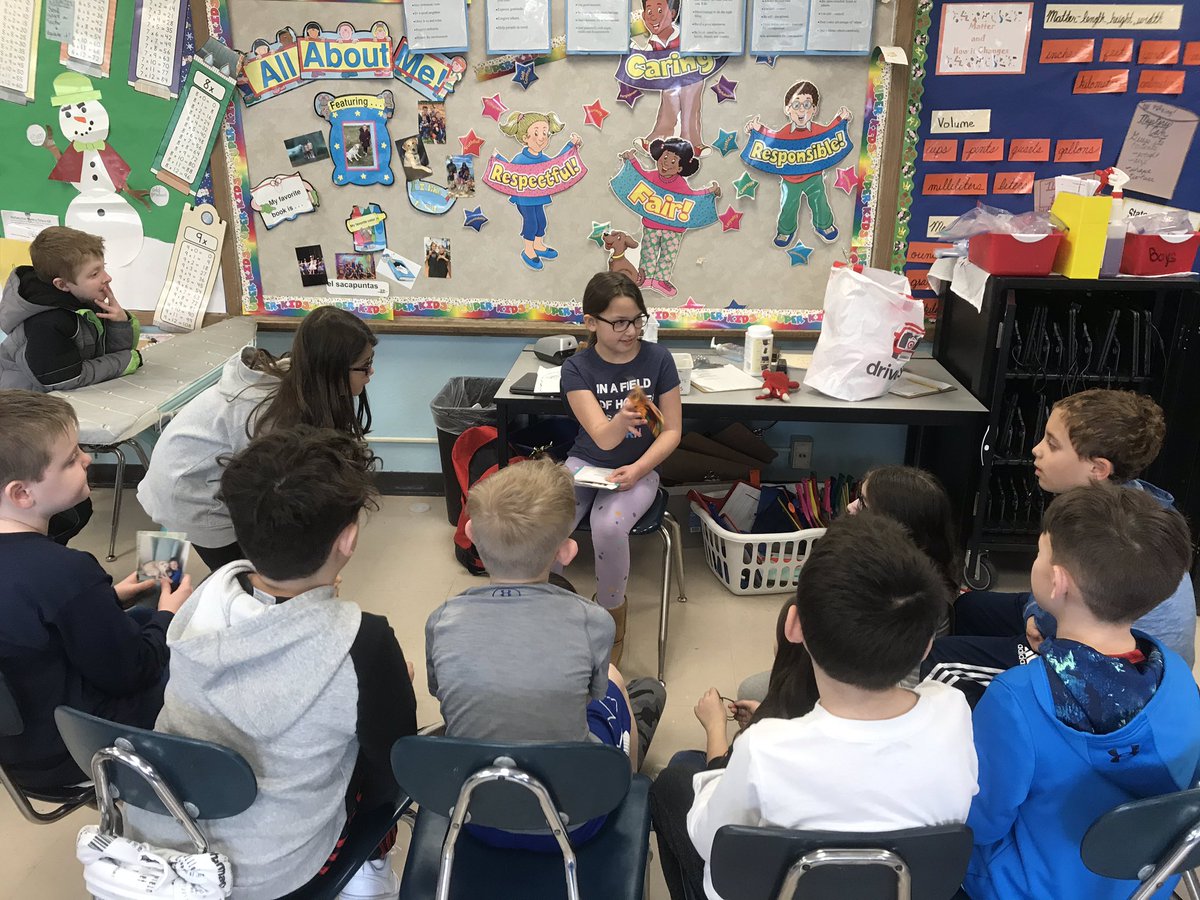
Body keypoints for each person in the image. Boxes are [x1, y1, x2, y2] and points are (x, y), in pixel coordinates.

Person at [126, 426, 418, 900]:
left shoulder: (201, 600)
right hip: (276, 873)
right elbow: (396, 761)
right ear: (348, 539)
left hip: (166, 846)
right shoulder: (364, 642)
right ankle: (370, 867)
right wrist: (389, 686)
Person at [676, 512, 978, 900]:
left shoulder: (764, 748)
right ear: (926, 645)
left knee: (676, 778)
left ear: (793, 626)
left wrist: (720, 750)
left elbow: (709, 842)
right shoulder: (953, 711)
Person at [965, 483, 1200, 899]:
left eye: (1040, 552)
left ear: (1058, 582)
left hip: (1030, 889)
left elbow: (981, 824)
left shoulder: (1017, 698)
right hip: (1143, 882)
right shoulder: (1179, 675)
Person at [426, 458, 665, 849]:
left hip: (473, 816)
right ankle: (630, 782)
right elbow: (592, 695)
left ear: (470, 534)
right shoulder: (593, 621)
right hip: (576, 820)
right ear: (566, 552)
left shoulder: (442, 620)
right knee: (616, 683)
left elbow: (441, 693)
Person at [924, 389, 1196, 703]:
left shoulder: (1103, 535)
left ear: (1098, 469)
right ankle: (995, 695)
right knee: (969, 607)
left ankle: (1005, 714)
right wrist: (1035, 615)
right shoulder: (1122, 501)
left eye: (1052, 444)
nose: (1036, 450)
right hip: (1088, 618)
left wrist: (1040, 621)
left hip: (1115, 675)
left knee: (943, 658)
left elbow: (1072, 618)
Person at [0, 391, 188, 790]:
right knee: (192, 646)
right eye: (71, 459)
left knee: (140, 615)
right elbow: (133, 673)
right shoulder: (66, 573)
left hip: (17, 751)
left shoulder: (57, 579)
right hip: (78, 750)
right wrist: (170, 613)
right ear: (21, 493)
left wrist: (106, 599)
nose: (87, 460)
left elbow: (29, 627)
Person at [138, 306, 376, 572]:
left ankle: (157, 587)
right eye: (365, 366)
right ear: (332, 370)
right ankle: (160, 590)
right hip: (188, 492)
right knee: (247, 576)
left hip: (184, 475)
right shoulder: (267, 416)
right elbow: (264, 500)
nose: (371, 372)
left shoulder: (302, 380)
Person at [560, 271, 682, 663]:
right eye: (619, 323)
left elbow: (672, 431)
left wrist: (639, 468)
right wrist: (621, 419)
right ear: (590, 322)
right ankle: (544, 612)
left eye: (637, 320)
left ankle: (610, 629)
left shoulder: (659, 359)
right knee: (545, 520)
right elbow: (603, 438)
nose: (630, 331)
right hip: (586, 462)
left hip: (638, 468)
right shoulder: (576, 368)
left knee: (608, 526)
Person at [0, 226, 143, 392]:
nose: (108, 278)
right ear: (62, 284)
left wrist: (119, 323)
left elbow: (109, 354)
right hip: (24, 399)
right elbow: (64, 378)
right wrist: (125, 362)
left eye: (103, 268)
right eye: (94, 274)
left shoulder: (83, 301)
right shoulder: (46, 322)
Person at [744, 81, 851, 247]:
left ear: (814, 109)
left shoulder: (817, 130)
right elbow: (771, 139)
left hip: (814, 176)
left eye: (807, 105)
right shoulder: (785, 132)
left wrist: (841, 119)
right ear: (787, 109)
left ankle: (824, 224)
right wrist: (758, 129)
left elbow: (831, 132)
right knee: (788, 204)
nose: (802, 110)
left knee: (820, 200)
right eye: (796, 105)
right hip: (790, 179)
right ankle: (786, 230)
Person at [618, 138, 720, 298]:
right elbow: (640, 176)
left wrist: (710, 192)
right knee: (648, 252)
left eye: (673, 161)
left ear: (680, 168)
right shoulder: (652, 177)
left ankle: (660, 280)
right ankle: (645, 278)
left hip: (673, 229)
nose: (666, 163)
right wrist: (632, 159)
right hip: (651, 225)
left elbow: (693, 196)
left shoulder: (680, 184)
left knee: (668, 255)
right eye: (664, 157)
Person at [496, 111, 583, 270]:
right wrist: (498, 158)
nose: (542, 137)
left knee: (541, 221)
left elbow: (558, 163)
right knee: (531, 222)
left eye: (545, 133)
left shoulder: (543, 159)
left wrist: (571, 145)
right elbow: (507, 172)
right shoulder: (520, 159)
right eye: (536, 133)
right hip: (524, 199)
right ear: (525, 138)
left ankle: (538, 245)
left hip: (538, 197)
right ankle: (528, 250)